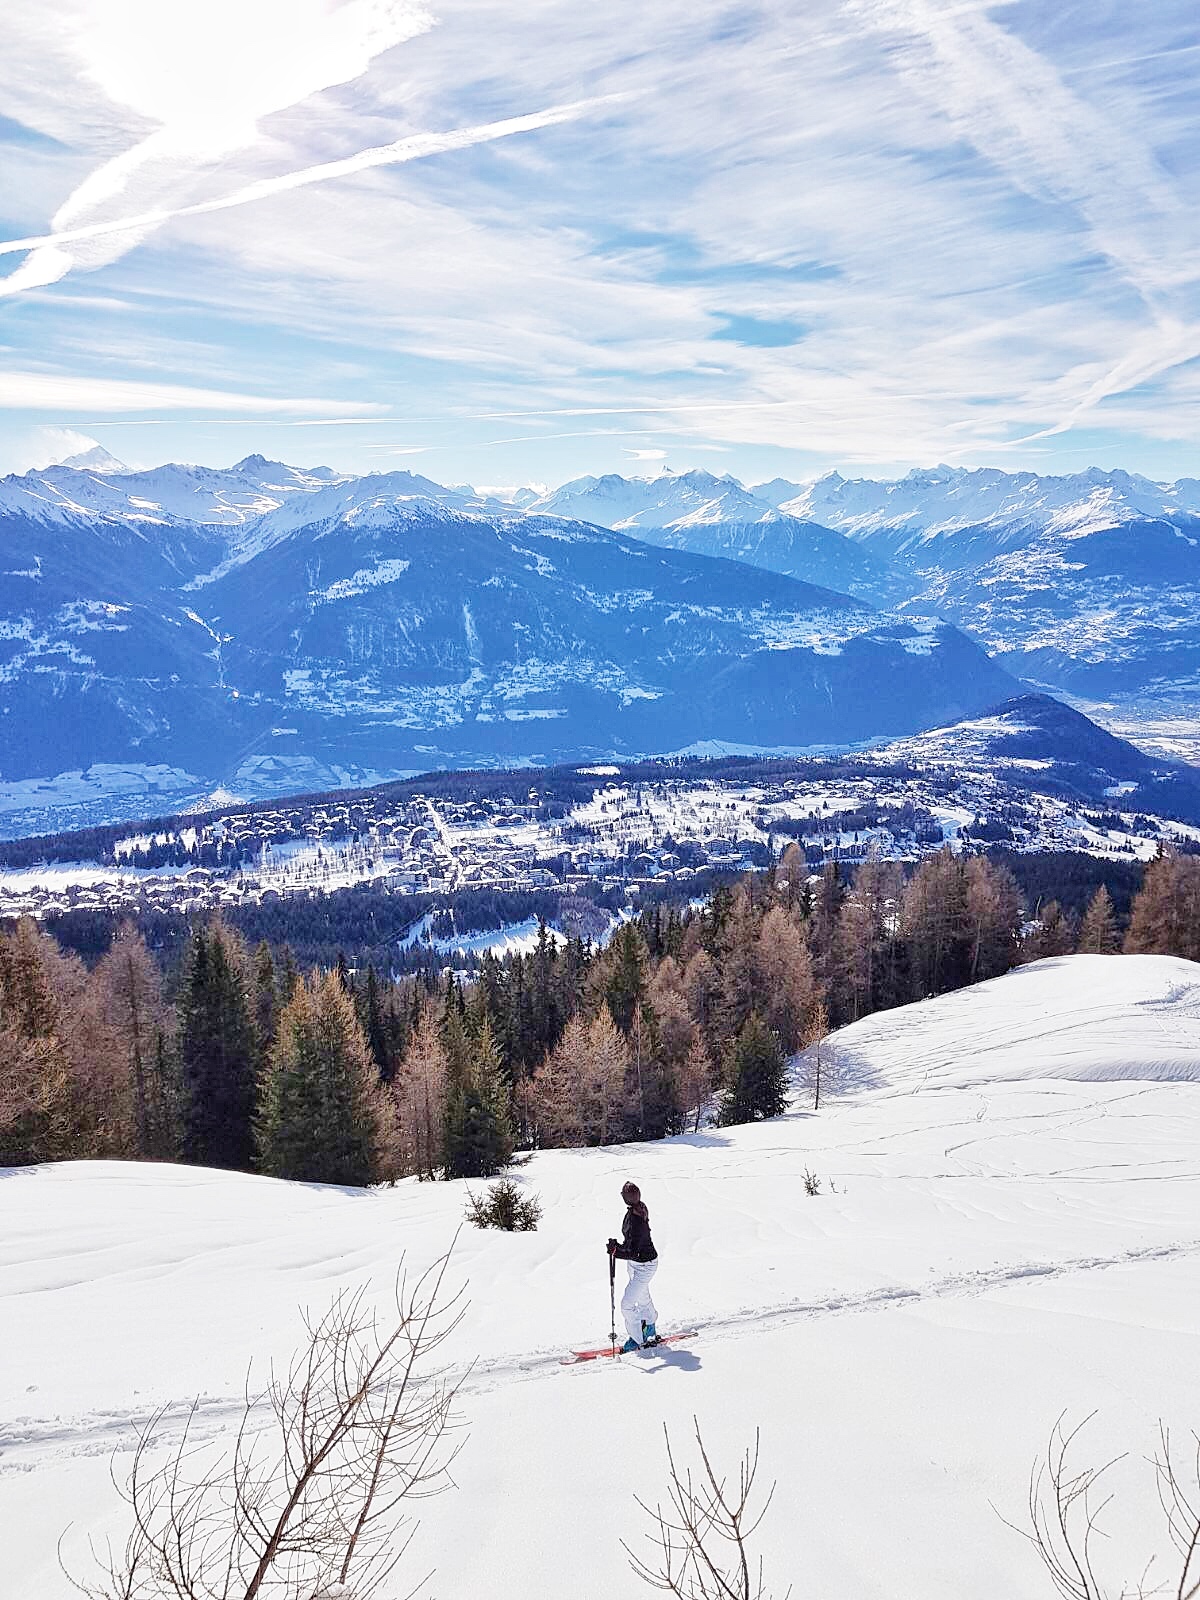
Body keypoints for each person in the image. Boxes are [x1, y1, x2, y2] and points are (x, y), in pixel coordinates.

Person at [607, 1180, 659, 1351]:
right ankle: (649, 1328)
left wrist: (617, 1252)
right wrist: (618, 1247)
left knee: (627, 1304)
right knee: (642, 1296)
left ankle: (637, 1340)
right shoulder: (637, 1210)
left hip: (644, 1265)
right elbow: (631, 1245)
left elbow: (634, 1250)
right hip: (638, 1264)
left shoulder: (637, 1219)